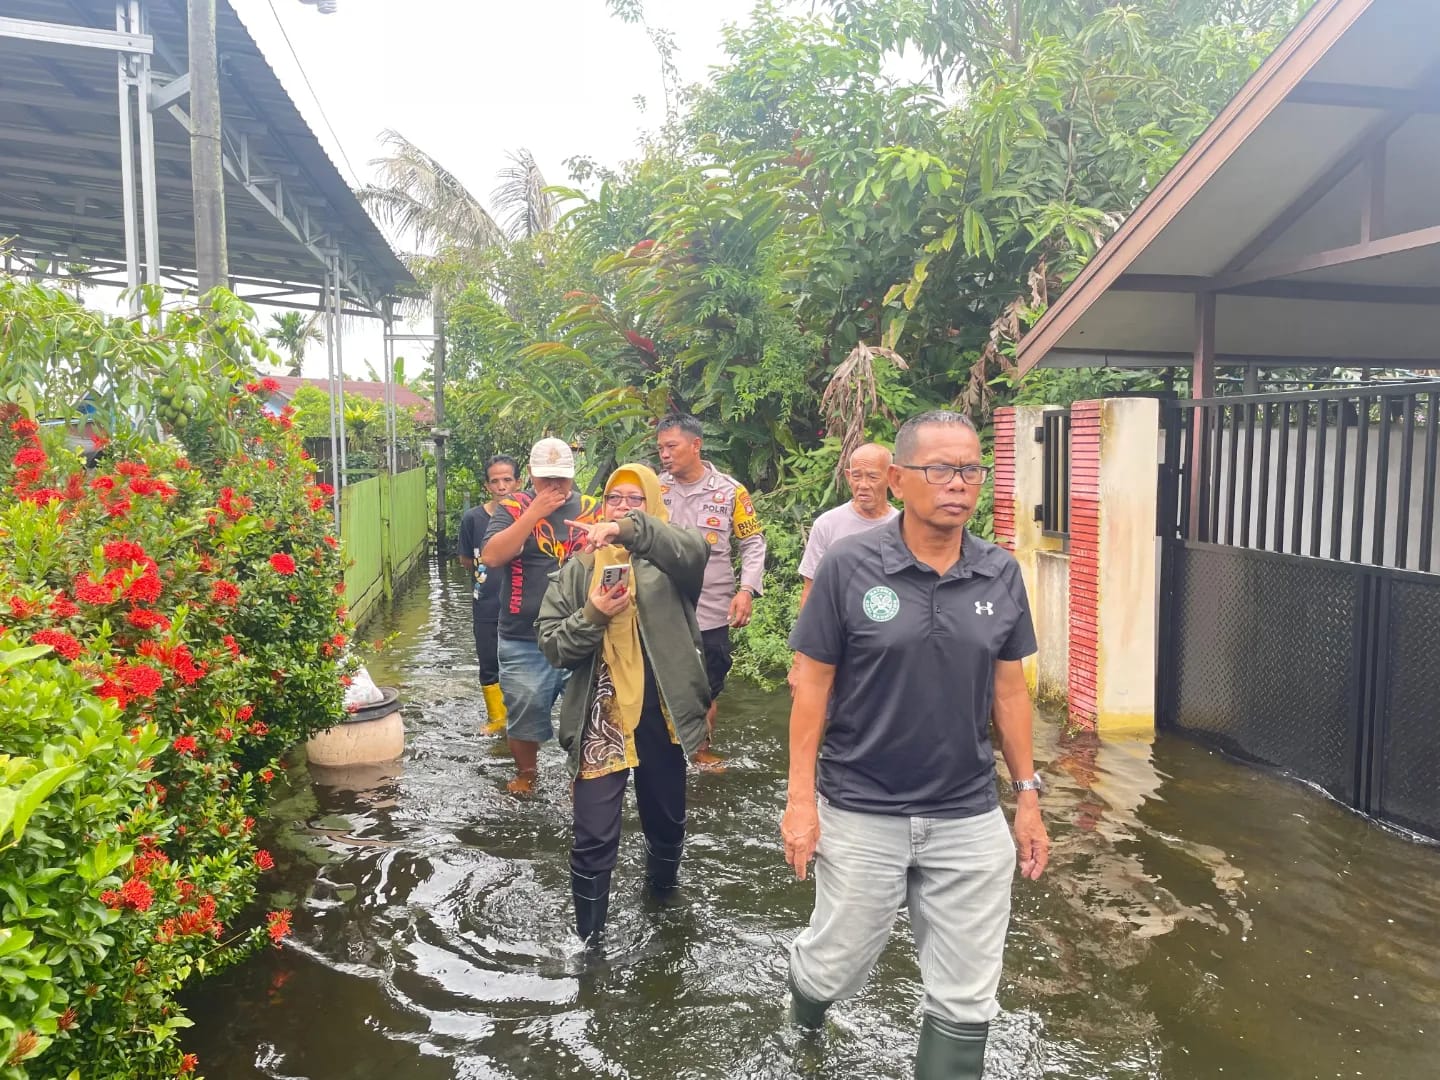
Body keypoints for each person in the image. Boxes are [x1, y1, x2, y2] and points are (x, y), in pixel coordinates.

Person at [781, 410, 1050, 1080]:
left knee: (967, 998)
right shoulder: (849, 566)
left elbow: (1009, 692)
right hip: (861, 806)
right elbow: (811, 685)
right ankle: (803, 1014)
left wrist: (1027, 796)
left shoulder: (998, 573)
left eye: (969, 470)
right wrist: (800, 800)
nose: (957, 484)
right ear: (899, 480)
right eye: (940, 469)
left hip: (966, 812)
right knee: (836, 964)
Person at [536, 463, 711, 945]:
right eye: (616, 500)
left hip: (662, 711)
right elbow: (553, 647)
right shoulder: (577, 571)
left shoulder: (675, 560)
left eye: (637, 500)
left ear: (654, 506)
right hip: (602, 715)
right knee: (592, 835)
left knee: (667, 818)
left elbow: (694, 549)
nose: (625, 508)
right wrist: (593, 614)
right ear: (601, 506)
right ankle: (588, 942)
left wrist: (625, 530)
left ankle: (662, 901)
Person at [480, 437, 599, 795]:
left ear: (573, 474)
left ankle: (583, 779)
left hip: (581, 631)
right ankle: (527, 774)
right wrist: (535, 513)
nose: (553, 486)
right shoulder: (514, 506)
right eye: (545, 478)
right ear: (530, 474)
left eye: (560, 478)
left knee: (591, 714)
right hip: (523, 634)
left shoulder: (593, 509)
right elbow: (491, 556)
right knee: (525, 708)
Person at [655, 413, 766, 766]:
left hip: (712, 609)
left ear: (696, 445)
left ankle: (700, 752)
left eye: (672, 446)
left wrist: (746, 589)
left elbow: (752, 542)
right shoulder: (653, 491)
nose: (665, 455)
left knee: (706, 687)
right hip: (661, 610)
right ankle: (662, 755)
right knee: (657, 686)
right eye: (660, 448)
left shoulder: (730, 491)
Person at [458, 454, 519, 735]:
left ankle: (521, 718)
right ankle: (497, 718)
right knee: (488, 660)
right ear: (487, 486)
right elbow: (466, 561)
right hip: (485, 604)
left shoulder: (528, 518)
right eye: (495, 481)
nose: (502, 486)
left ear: (518, 482)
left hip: (521, 604)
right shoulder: (473, 519)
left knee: (522, 662)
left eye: (507, 479)